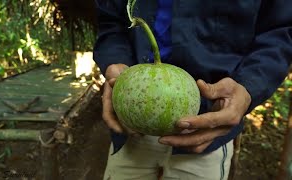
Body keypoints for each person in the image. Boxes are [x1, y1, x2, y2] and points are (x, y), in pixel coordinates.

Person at [93, 0, 292, 179]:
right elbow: (111, 22)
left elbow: (280, 32)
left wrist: (249, 85)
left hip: (209, 128)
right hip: (131, 129)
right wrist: (115, 62)